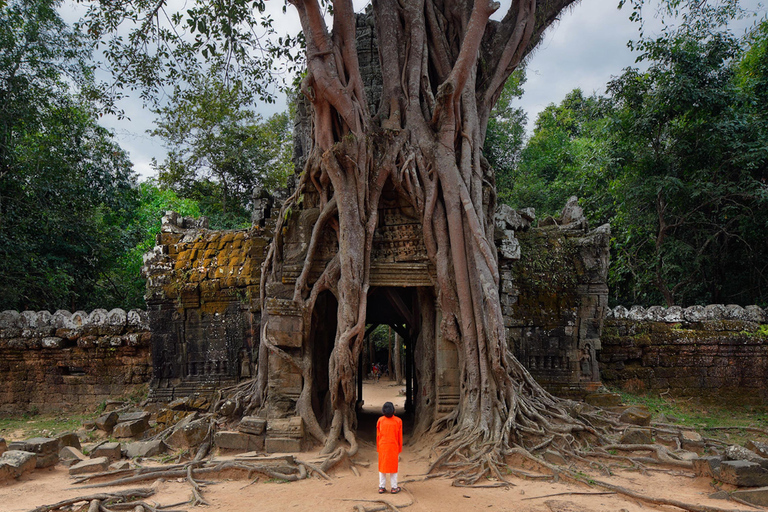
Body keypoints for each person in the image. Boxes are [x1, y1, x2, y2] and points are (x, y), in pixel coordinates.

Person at [376, 401, 403, 494]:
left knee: (382, 467)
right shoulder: (398, 421)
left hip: (383, 446)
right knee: (393, 467)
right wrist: (400, 448)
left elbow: (378, 436)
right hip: (393, 446)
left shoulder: (380, 420)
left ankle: (381, 487)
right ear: (394, 411)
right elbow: (400, 436)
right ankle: (394, 487)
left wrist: (378, 447)